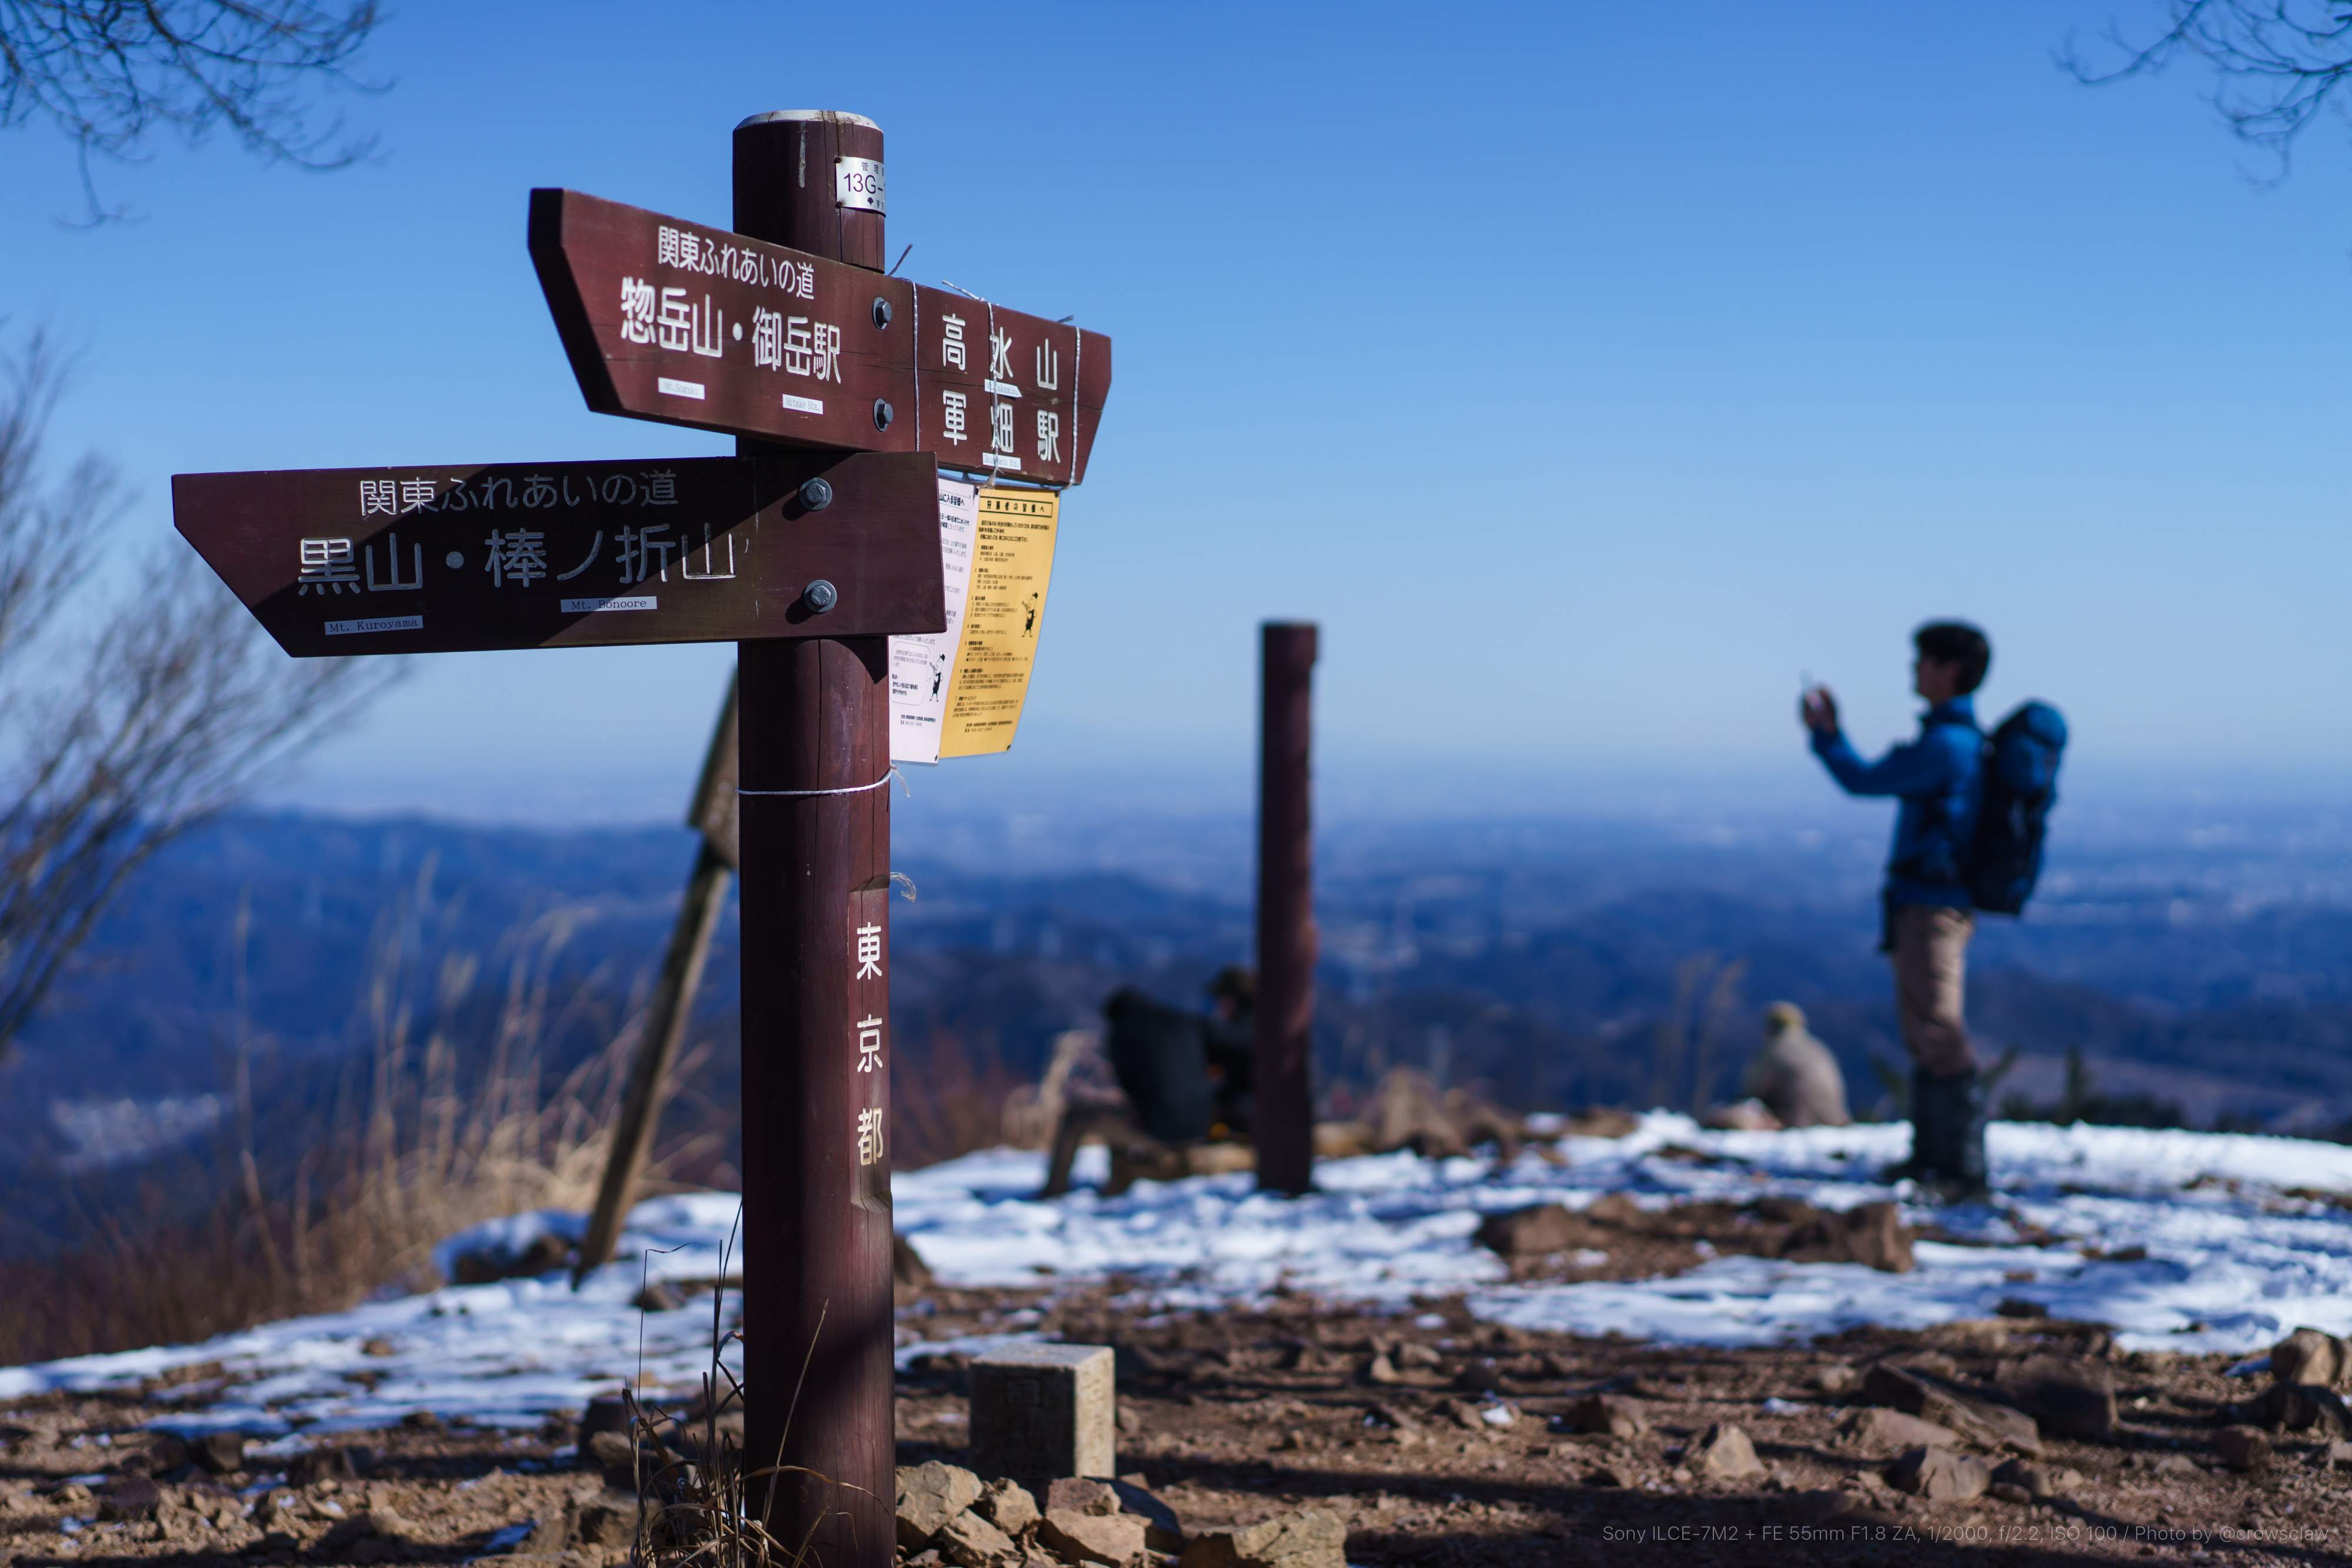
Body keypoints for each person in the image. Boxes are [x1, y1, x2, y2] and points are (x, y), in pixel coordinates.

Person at [1801, 621, 1990, 1199]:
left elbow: (1865, 780)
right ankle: (1934, 1161)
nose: (1913, 671)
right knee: (1925, 1029)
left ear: (1948, 670)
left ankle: (1960, 1169)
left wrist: (1828, 736)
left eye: (1922, 661)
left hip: (1932, 905)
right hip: (1926, 902)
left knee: (1937, 1030)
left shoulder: (1946, 746)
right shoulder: (1955, 742)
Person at [1038, 967, 1255, 1198]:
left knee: (1079, 1117)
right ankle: (1118, 1185)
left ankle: (1055, 1191)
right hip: (1203, 1123)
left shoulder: (1122, 1034)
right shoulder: (1185, 1023)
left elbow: (1130, 1089)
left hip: (1163, 1130)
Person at [1740, 1002, 1851, 1129]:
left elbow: (1753, 1091)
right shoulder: (1818, 1049)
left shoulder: (1774, 1050)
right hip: (1834, 1118)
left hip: (1795, 1120)